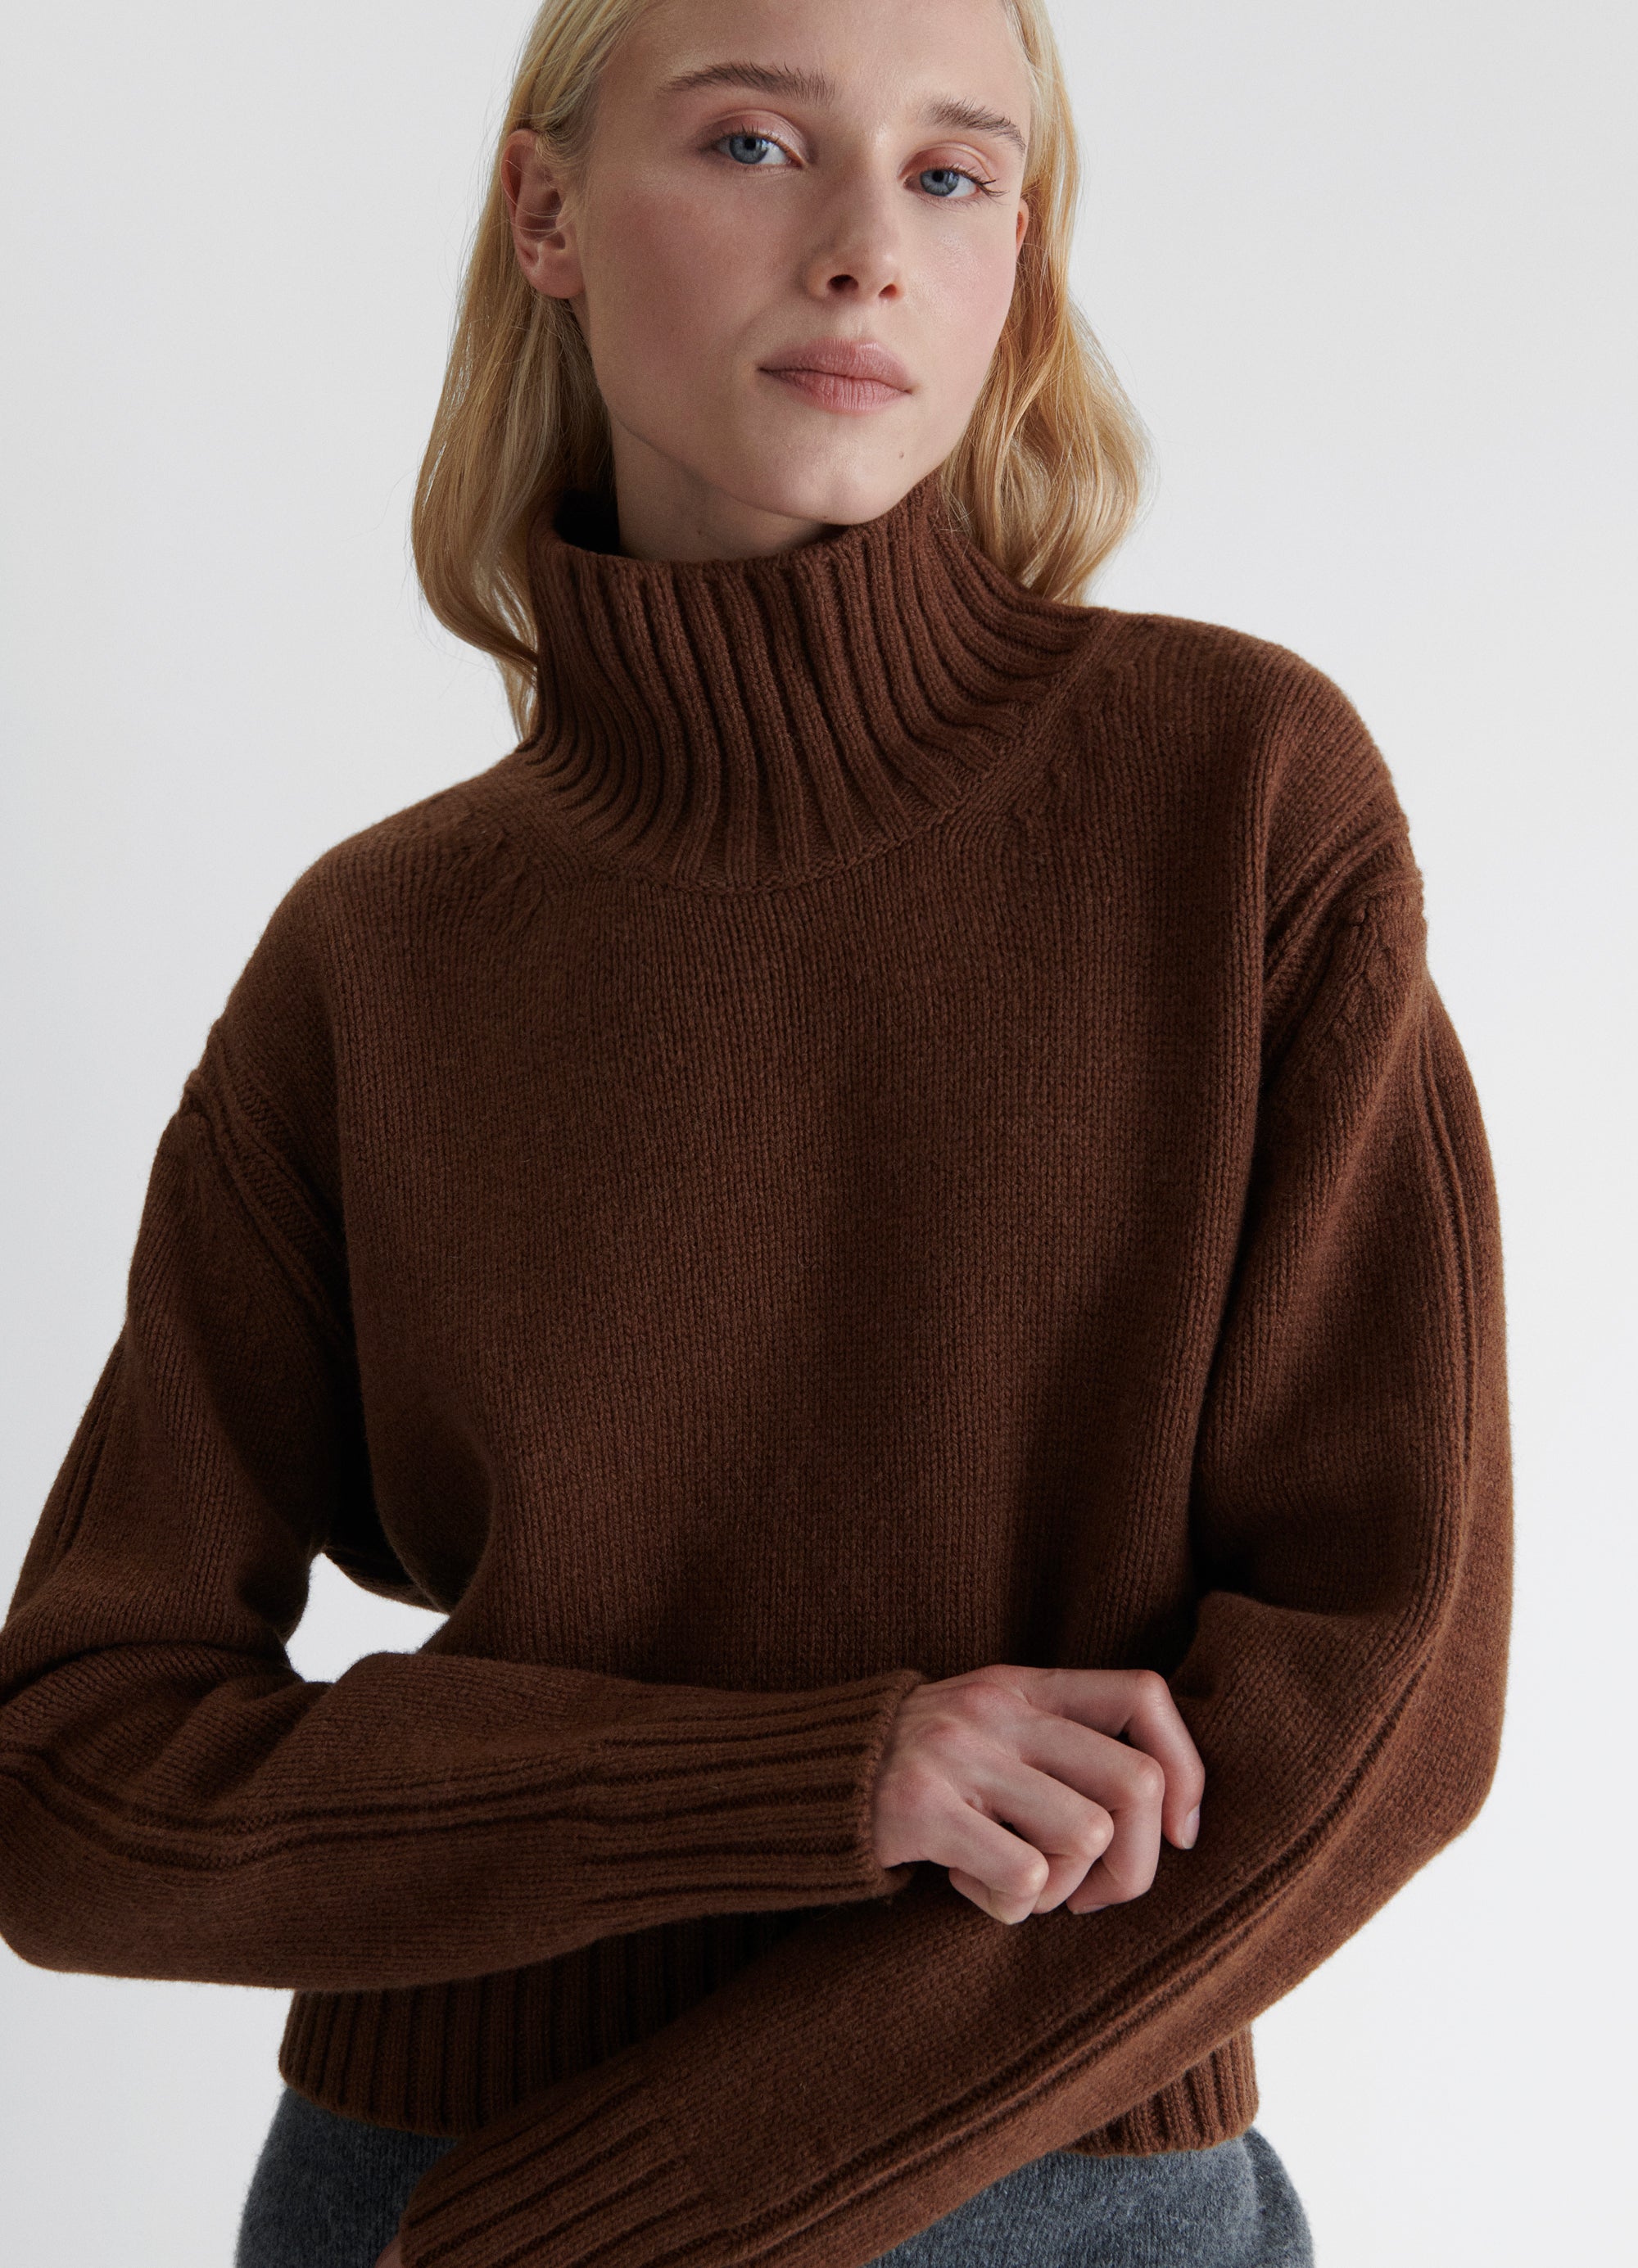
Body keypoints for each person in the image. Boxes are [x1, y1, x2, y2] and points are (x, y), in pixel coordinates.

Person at [0, 1, 1512, 2264]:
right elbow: (76, 1779)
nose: (865, 247)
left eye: (952, 173)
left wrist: (670, 2200)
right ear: (546, 215)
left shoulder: (1239, 803)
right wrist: (803, 1783)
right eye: (752, 143)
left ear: (1019, 262)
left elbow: (1393, 1695)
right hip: (424, 2187)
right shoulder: (376, 952)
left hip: (1021, 2192)